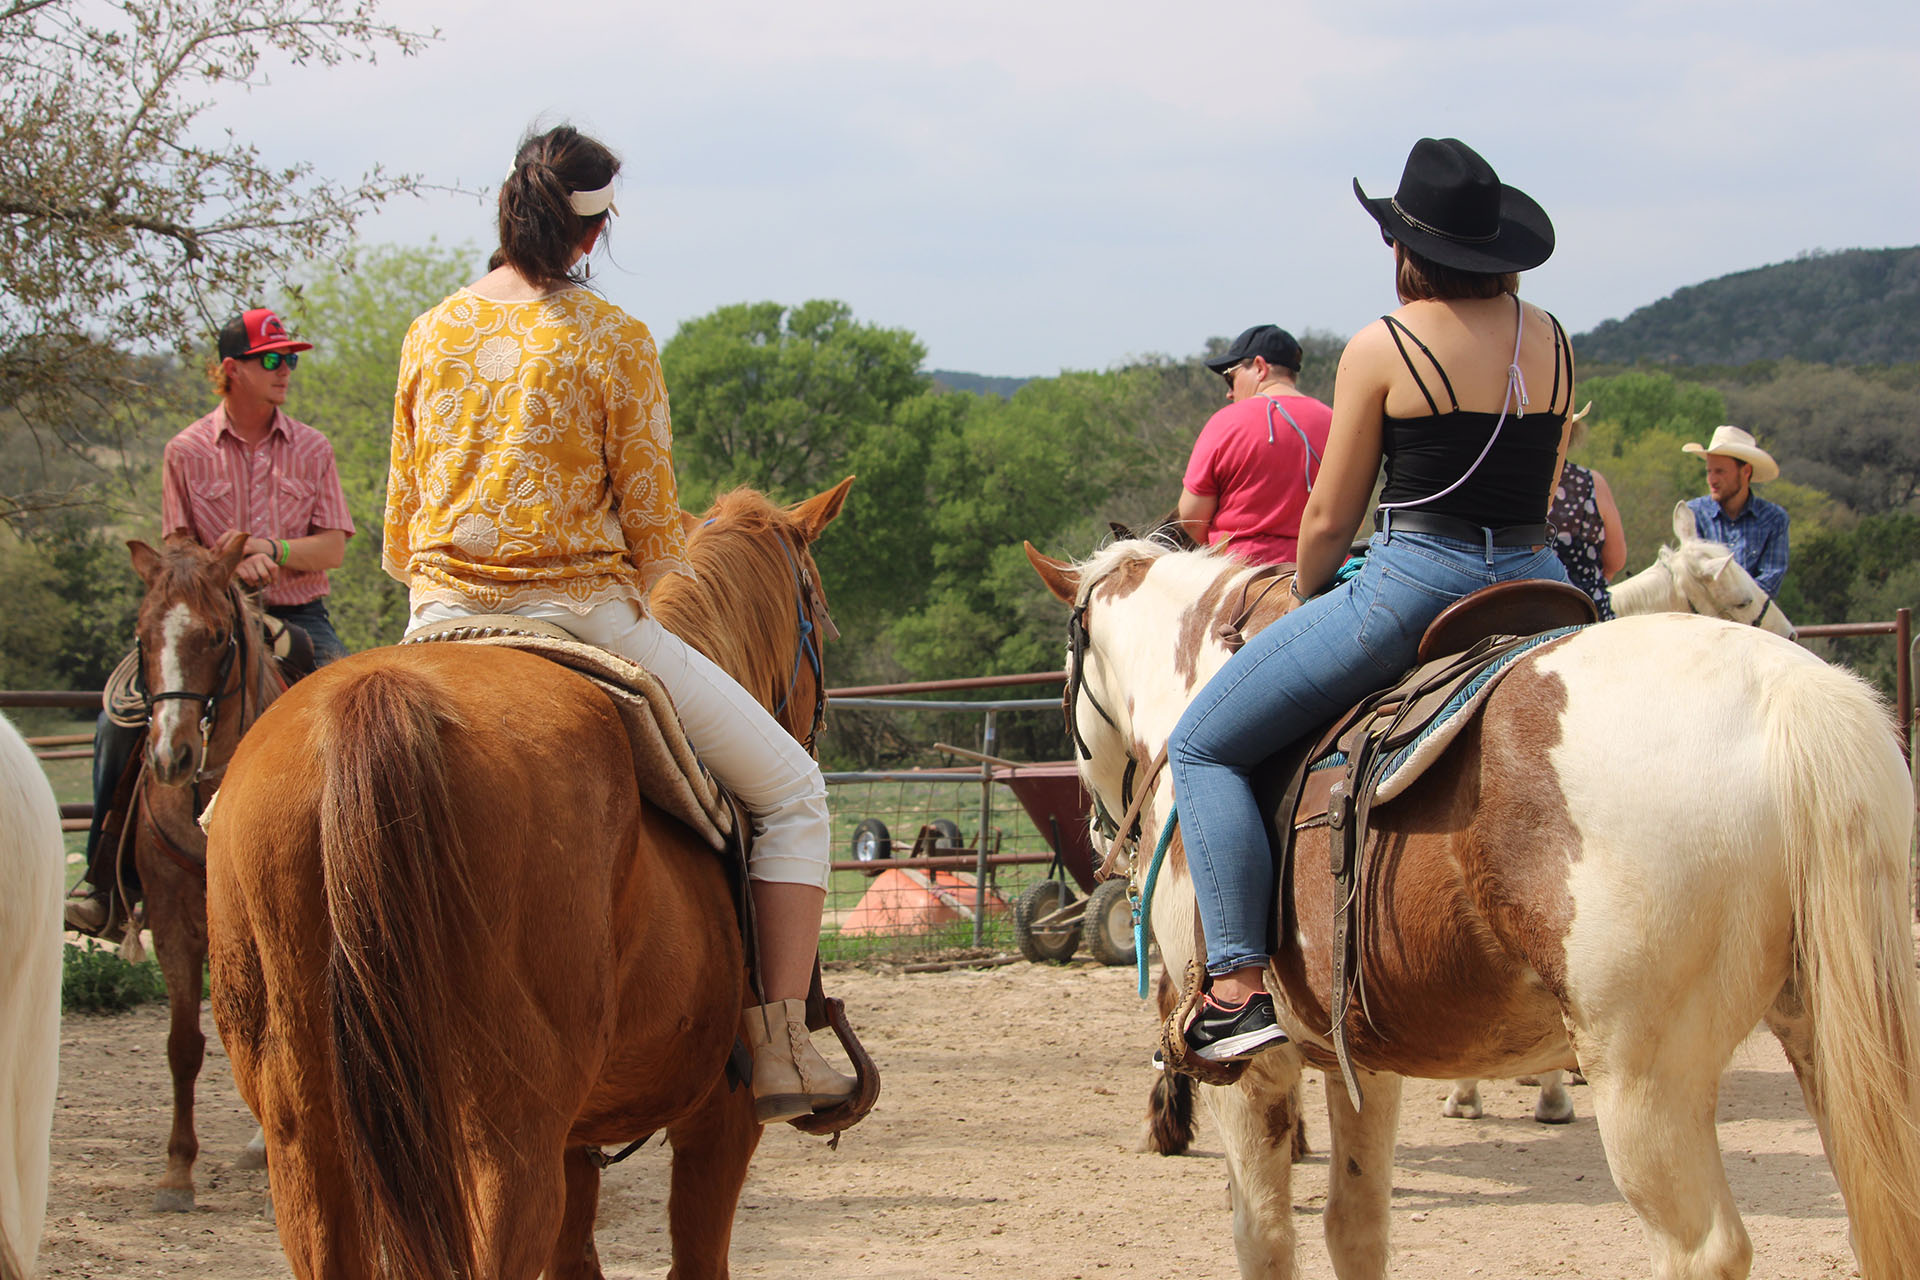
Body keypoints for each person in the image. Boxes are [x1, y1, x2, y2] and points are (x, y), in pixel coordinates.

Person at [383, 123, 855, 1123]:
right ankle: (778, 1039)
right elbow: (653, 529)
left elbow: (396, 526)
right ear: (590, 235)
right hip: (585, 622)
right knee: (795, 791)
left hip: (437, 620)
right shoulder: (615, 337)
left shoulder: (430, 329)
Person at [1168, 138, 1576, 1062]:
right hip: (1543, 581)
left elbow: (1327, 519)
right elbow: (1544, 494)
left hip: (1415, 584)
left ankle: (1235, 987)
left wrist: (1312, 594)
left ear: (1406, 251)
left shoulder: (1383, 347)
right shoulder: (1552, 338)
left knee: (1203, 743)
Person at [64, 307, 354, 936]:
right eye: (271, 360)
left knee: (351, 715)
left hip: (296, 611)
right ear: (232, 370)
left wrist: (270, 552)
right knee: (118, 715)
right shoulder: (186, 450)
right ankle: (103, 880)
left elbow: (332, 547)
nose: (286, 372)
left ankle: (358, 878)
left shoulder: (312, 447)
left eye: (291, 360)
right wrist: (220, 569)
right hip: (201, 618)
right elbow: (173, 550)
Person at [1179, 325, 1332, 564]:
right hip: (1326, 574)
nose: (1229, 393)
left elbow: (1191, 517)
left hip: (1243, 578)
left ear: (1260, 367)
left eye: (1230, 376)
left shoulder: (1225, 422)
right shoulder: (1336, 421)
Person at [1681, 425, 1789, 596]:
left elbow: (1770, 582)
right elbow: (1691, 577)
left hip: (1753, 619)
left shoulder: (1774, 519)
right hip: (1706, 619)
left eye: (1720, 472)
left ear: (1745, 472)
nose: (1712, 480)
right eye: (1709, 471)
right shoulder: (1694, 513)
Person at [1548, 406, 1626, 620]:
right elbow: (1616, 560)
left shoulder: (1514, 484)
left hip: (1530, 614)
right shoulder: (1591, 483)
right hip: (1589, 612)